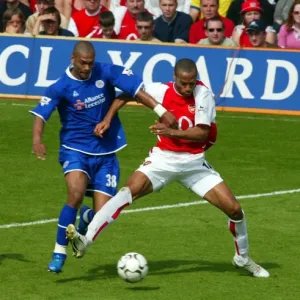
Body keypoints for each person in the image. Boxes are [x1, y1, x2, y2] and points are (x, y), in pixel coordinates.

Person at [66, 58, 270, 279]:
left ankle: (243, 259)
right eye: (183, 83)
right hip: (163, 160)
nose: (187, 88)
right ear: (175, 77)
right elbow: (128, 93)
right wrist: (108, 117)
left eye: (191, 83)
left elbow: (201, 133)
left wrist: (170, 131)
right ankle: (86, 240)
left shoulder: (203, 95)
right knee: (127, 192)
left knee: (235, 210)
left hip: (194, 165)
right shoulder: (160, 90)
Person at [30, 40, 176, 273]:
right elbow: (41, 115)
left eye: (90, 63)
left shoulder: (104, 71)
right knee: (75, 194)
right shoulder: (61, 86)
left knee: (103, 213)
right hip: (75, 148)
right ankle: (59, 251)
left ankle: (87, 217)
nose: (87, 68)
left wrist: (160, 111)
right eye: (83, 63)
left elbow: (135, 90)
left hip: (106, 151)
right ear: (73, 59)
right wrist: (37, 140)